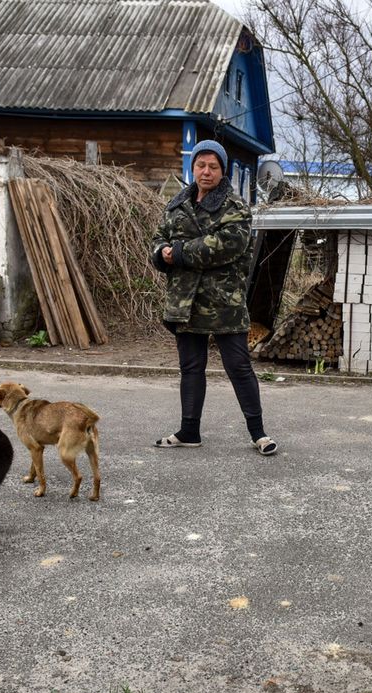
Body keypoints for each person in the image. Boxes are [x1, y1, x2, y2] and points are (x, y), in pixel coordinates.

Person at [150, 139, 277, 456]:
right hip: (184, 300)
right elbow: (159, 237)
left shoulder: (235, 207)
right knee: (191, 367)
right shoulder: (177, 204)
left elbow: (224, 246)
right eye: (200, 165)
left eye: (213, 166)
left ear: (222, 171)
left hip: (223, 301)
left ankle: (258, 433)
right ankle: (189, 431)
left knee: (238, 366)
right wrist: (158, 253)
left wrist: (176, 252)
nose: (206, 172)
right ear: (193, 168)